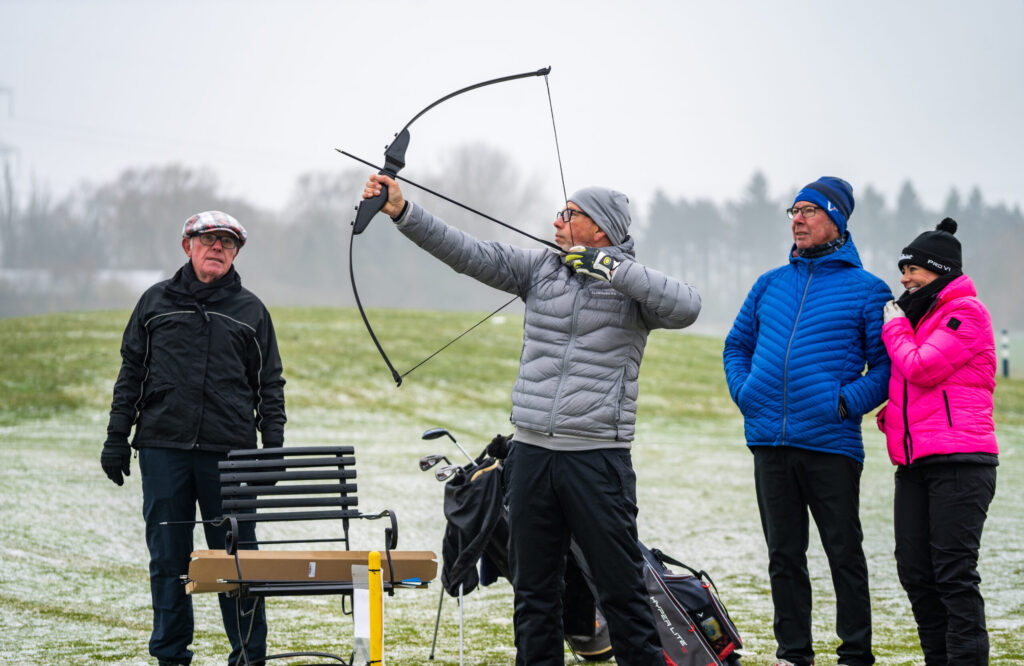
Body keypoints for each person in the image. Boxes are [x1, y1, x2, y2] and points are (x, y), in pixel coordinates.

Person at [363, 173, 701, 666]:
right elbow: (468, 252)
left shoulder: (633, 290)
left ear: (600, 229)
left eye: (570, 215)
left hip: (596, 460)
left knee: (622, 591)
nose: (557, 221)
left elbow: (688, 305)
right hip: (532, 457)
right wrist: (402, 212)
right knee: (535, 596)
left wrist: (609, 267)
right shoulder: (539, 268)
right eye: (560, 212)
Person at [101, 211, 286, 666]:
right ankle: (170, 656)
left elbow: (270, 386)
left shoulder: (252, 312)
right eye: (208, 240)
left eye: (227, 243)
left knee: (238, 561)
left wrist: (273, 449)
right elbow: (131, 374)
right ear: (188, 246)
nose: (217, 248)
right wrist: (116, 437)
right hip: (163, 449)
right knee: (168, 560)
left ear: (236, 253)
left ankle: (248, 657)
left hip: (230, 456)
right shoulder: (154, 303)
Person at [723, 177, 891, 666]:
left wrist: (843, 403)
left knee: (844, 554)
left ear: (835, 220)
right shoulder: (769, 283)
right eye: (793, 211)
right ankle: (793, 653)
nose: (797, 219)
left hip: (830, 444)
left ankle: (856, 654)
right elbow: (736, 346)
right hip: (769, 442)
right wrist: (747, 393)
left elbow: (884, 368)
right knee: (783, 555)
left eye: (809, 211)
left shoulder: (868, 290)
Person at [877, 217, 998, 664]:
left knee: (953, 576)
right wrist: (894, 416)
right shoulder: (921, 315)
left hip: (962, 464)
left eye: (913, 270)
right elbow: (924, 385)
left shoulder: (965, 313)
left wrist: (894, 327)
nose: (904, 279)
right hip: (914, 464)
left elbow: (922, 367)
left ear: (940, 270)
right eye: (902, 271)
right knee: (916, 574)